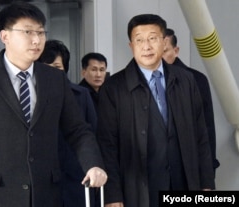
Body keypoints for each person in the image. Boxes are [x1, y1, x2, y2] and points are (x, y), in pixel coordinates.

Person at [0, 2, 107, 207]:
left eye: (41, 33)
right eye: (27, 32)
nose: (36, 40)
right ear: (4, 36)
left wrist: (93, 164)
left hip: (47, 193)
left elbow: (78, 130)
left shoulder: (55, 79)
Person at [96, 14, 215, 207]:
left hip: (183, 182)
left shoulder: (186, 80)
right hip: (138, 188)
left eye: (153, 38)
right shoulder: (114, 88)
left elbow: (202, 135)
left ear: (164, 41)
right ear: (131, 45)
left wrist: (206, 183)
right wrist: (112, 194)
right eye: (139, 40)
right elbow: (106, 145)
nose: (146, 46)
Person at [38, 39, 99, 207]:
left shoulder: (81, 95)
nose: (52, 73)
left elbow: (92, 136)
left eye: (57, 67)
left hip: (77, 181)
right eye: (46, 67)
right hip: (44, 183)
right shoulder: (31, 98)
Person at [163, 28, 220, 171]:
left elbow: (207, 128)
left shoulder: (196, 80)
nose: (159, 57)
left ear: (176, 51)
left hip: (188, 164)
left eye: (165, 51)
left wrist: (208, 170)